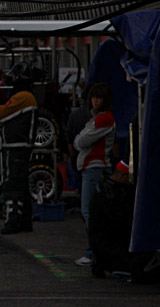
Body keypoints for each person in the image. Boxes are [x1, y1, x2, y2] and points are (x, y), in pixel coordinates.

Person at [73, 83, 115, 266]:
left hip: (94, 168)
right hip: (93, 168)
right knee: (91, 212)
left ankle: (94, 252)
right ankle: (96, 251)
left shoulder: (102, 120)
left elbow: (81, 141)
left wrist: (81, 139)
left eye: (99, 98)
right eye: (94, 97)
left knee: (89, 212)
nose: (95, 101)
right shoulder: (97, 119)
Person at [0, 70, 38, 234]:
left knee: (12, 184)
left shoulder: (22, 97)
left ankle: (13, 221)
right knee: (22, 184)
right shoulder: (29, 97)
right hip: (21, 146)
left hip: (16, 147)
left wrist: (0, 114)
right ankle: (25, 220)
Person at [87, 161, 135, 278]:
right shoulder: (110, 194)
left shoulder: (105, 189)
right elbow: (117, 220)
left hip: (103, 240)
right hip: (109, 240)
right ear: (121, 176)